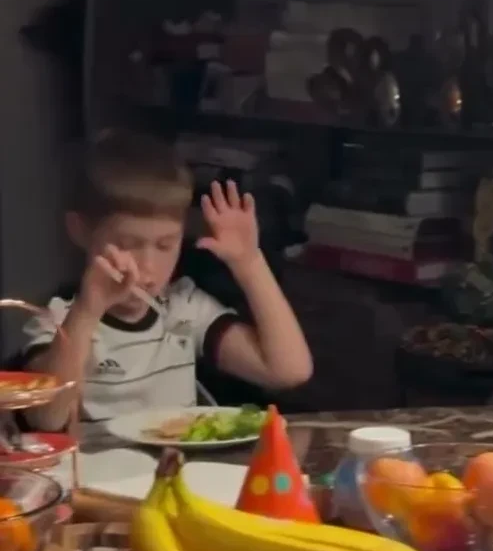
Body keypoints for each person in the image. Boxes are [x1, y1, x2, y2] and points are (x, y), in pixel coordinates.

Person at [21, 129, 313, 428]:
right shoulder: (59, 320)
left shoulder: (182, 308)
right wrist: (87, 311)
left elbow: (290, 371)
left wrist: (249, 263)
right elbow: (47, 418)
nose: (148, 267)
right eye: (128, 244)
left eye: (165, 245)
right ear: (80, 230)